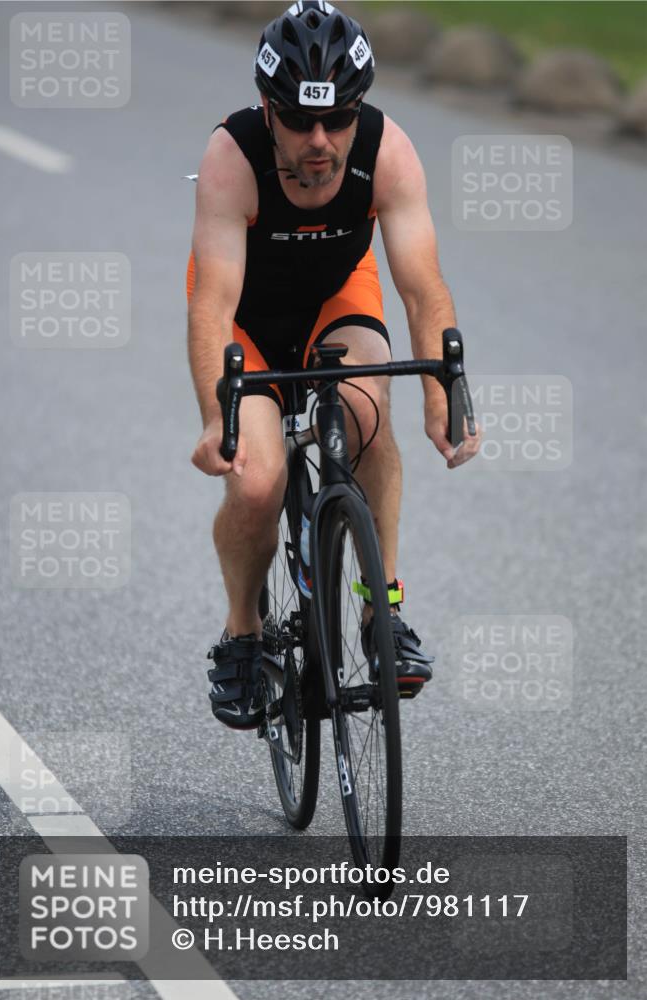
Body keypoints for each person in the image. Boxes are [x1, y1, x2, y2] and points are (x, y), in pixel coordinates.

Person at [186, 1, 481, 730]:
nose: (321, 141)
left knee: (368, 413)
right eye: (299, 120)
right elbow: (213, 306)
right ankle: (244, 636)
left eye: (340, 119)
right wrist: (211, 418)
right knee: (256, 479)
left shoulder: (388, 151)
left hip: (333, 301)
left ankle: (383, 617)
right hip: (246, 322)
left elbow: (421, 285)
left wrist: (446, 396)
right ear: (267, 108)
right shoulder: (233, 157)